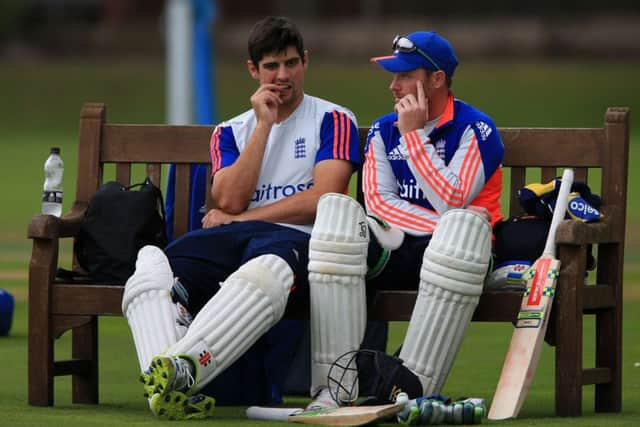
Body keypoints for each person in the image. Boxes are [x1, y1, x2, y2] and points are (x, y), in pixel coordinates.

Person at [120, 16, 361, 420]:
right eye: (271, 66)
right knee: (151, 266)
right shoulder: (230, 131)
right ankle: (166, 383)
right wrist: (264, 125)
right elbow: (229, 197)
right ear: (254, 70)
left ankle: (182, 372)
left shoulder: (333, 119)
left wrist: (246, 217)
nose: (282, 75)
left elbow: (326, 197)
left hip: (296, 241)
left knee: (265, 270)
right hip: (235, 237)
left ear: (306, 61)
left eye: (290, 63)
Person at [307, 31, 504, 410]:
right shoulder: (382, 130)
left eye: (404, 75)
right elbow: (379, 204)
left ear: (436, 79)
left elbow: (452, 200)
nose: (393, 86)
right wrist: (444, 220)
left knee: (456, 235)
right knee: (337, 216)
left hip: (461, 256)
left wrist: (413, 138)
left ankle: (408, 390)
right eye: (393, 76)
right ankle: (333, 388)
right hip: (401, 247)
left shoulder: (476, 129)